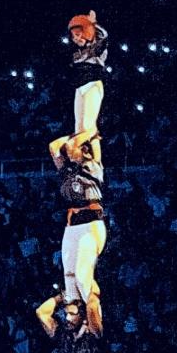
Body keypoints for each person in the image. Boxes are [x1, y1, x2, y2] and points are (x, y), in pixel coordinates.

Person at [36, 134, 107, 338]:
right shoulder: (72, 170)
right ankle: (85, 307)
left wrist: (89, 135)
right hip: (75, 226)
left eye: (73, 147)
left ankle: (86, 312)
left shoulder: (92, 168)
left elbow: (92, 142)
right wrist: (83, 132)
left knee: (77, 275)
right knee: (76, 275)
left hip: (88, 224)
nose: (68, 148)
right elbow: (55, 146)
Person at [64, 10, 109, 155]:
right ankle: (82, 158)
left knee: (89, 126)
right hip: (80, 87)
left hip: (92, 84)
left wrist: (92, 24)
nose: (75, 39)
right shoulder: (76, 52)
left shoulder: (96, 48)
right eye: (73, 36)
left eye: (78, 35)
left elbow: (104, 36)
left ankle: (96, 161)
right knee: (79, 128)